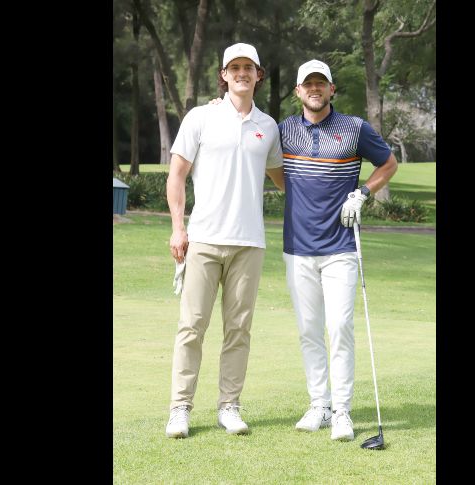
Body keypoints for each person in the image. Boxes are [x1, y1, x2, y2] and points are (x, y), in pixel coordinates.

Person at [164, 42, 285, 439]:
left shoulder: (268, 127)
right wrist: (178, 227)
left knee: (238, 329)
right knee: (191, 327)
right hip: (203, 238)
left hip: (249, 242)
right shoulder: (201, 117)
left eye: (248, 67)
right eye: (234, 67)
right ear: (224, 74)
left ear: (258, 75)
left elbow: (283, 180)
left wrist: (330, 185)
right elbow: (177, 174)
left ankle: (229, 406)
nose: (241, 73)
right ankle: (180, 408)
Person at [280, 59, 398, 441]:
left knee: (341, 327)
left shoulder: (354, 128)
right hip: (297, 248)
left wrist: (363, 193)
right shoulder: (284, 131)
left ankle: (342, 411)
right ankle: (320, 405)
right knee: (309, 330)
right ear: (298, 91)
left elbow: (388, 163)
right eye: (308, 84)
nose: (315, 89)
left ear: (331, 89)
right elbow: (258, 151)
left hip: (341, 247)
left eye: (321, 83)